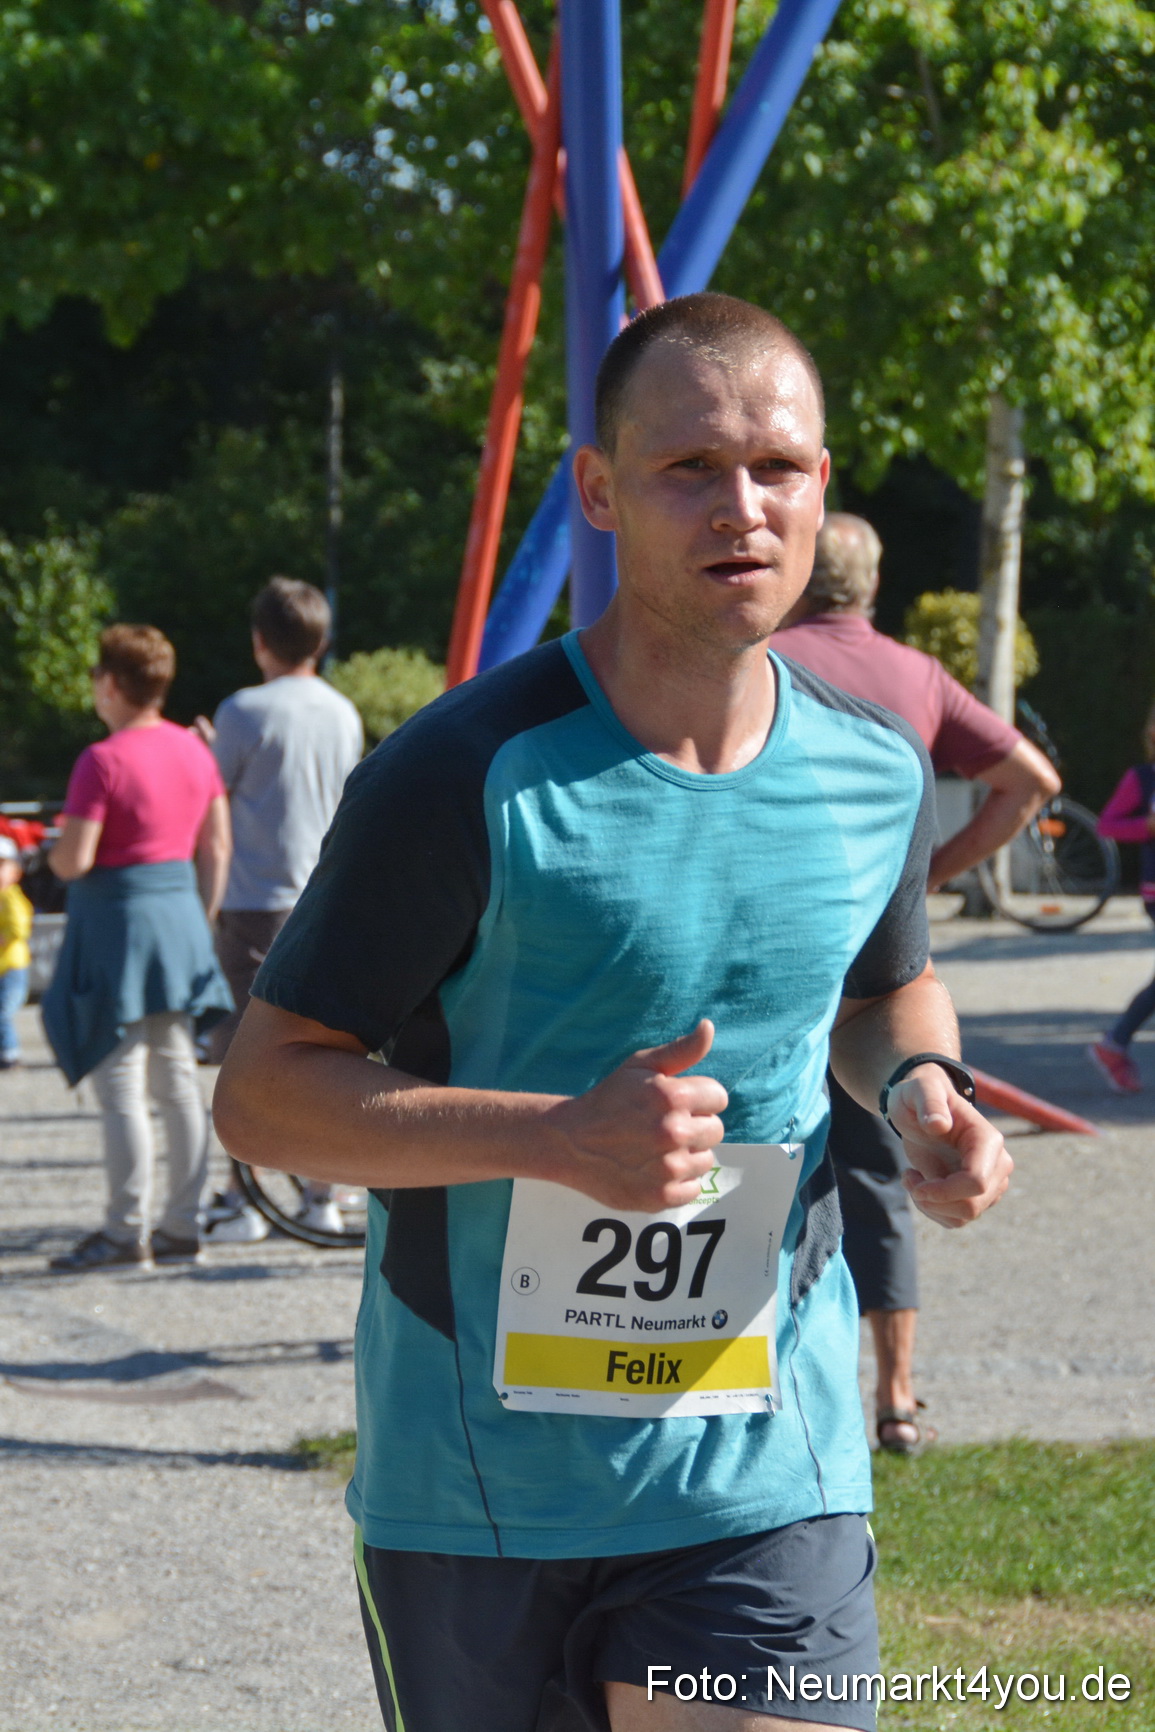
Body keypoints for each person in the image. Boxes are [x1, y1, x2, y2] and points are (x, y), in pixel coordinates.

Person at [215, 293, 1011, 1732]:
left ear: (821, 487)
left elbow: (882, 988)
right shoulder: (463, 773)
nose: (741, 506)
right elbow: (263, 1094)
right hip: (482, 1484)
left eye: (776, 467)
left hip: (768, 1464)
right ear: (597, 491)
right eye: (686, 467)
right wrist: (558, 1140)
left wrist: (916, 1093)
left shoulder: (870, 771)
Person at [772, 515, 1058, 1454]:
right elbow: (1030, 780)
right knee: (887, 1169)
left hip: (763, 949)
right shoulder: (914, 675)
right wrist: (928, 872)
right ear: (873, 583)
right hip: (880, 964)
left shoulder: (754, 658)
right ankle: (894, 1397)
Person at [42, 624, 233, 1272]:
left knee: (120, 1078)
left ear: (113, 684)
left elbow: (76, 858)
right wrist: (201, 916)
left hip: (117, 923)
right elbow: (218, 846)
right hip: (178, 915)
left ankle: (126, 1232)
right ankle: (183, 1226)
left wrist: (48, 849)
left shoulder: (101, 759)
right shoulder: (193, 751)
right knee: (178, 1079)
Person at [193, 576, 363, 1241]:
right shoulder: (342, 711)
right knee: (323, 1052)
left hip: (254, 896)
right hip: (324, 892)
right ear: (321, 642)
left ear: (260, 641)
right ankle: (321, 1190)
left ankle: (246, 1195)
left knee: (246, 1051)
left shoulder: (244, 710)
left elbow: (214, 803)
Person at [1088, 700, 1155, 1092]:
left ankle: (1114, 1043)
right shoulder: (1142, 779)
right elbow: (1107, 825)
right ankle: (1114, 1043)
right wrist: (1146, 826)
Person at [0, 835, 33, 1070]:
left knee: (2, 1012)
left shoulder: (11, 897)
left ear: (16, 872)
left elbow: (19, 927)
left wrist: (5, 938)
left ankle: (10, 1053)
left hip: (12, 968)